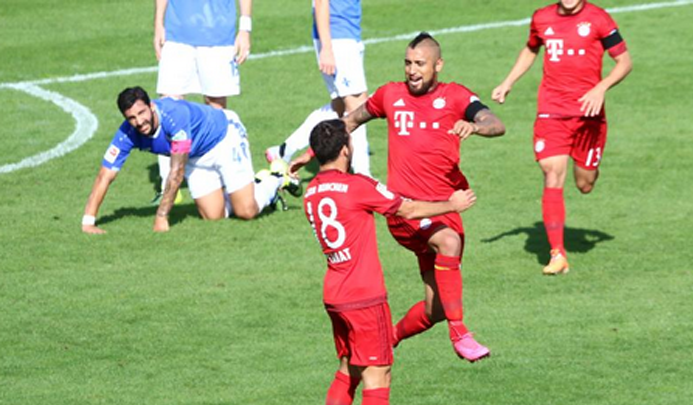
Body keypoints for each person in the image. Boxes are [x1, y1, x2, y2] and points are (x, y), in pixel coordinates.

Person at [297, 33, 505, 362]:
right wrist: (311, 153)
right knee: (448, 243)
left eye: (419, 64)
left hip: (443, 209)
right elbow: (347, 122)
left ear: (438, 65)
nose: (411, 70)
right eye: (407, 63)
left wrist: (476, 127)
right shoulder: (390, 95)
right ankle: (461, 334)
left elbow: (495, 122)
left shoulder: (456, 97)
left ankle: (390, 337)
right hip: (406, 211)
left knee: (436, 308)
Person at [303, 119, 476, 405]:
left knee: (349, 366)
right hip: (365, 296)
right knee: (377, 377)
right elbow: (408, 208)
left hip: (334, 293)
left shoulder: (312, 193)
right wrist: (453, 203)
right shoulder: (358, 186)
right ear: (345, 149)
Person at [492, 0, 632, 275]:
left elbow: (624, 61)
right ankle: (558, 254)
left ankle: (590, 168)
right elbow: (532, 48)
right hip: (551, 112)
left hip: (588, 115)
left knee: (585, 184)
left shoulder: (599, 19)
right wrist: (508, 82)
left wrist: (601, 88)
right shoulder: (541, 18)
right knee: (552, 171)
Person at [81, 87, 292, 234]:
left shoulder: (175, 117)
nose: (139, 122)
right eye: (131, 118)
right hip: (196, 156)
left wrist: (162, 215)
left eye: (142, 113)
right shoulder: (127, 134)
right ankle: (243, 190)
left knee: (246, 212)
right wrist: (88, 222)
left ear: (151, 106)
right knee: (213, 217)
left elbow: (176, 172)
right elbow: (105, 176)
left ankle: (274, 179)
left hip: (225, 139)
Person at [154, 0, 253, 197]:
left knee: (216, 109)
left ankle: (220, 179)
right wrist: (158, 23)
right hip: (176, 35)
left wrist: (245, 29)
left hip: (218, 36)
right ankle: (168, 186)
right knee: (168, 108)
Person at [266, 0, 371, 176]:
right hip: (337, 37)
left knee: (340, 106)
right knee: (357, 106)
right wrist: (327, 48)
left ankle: (284, 150)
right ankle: (364, 176)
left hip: (345, 33)